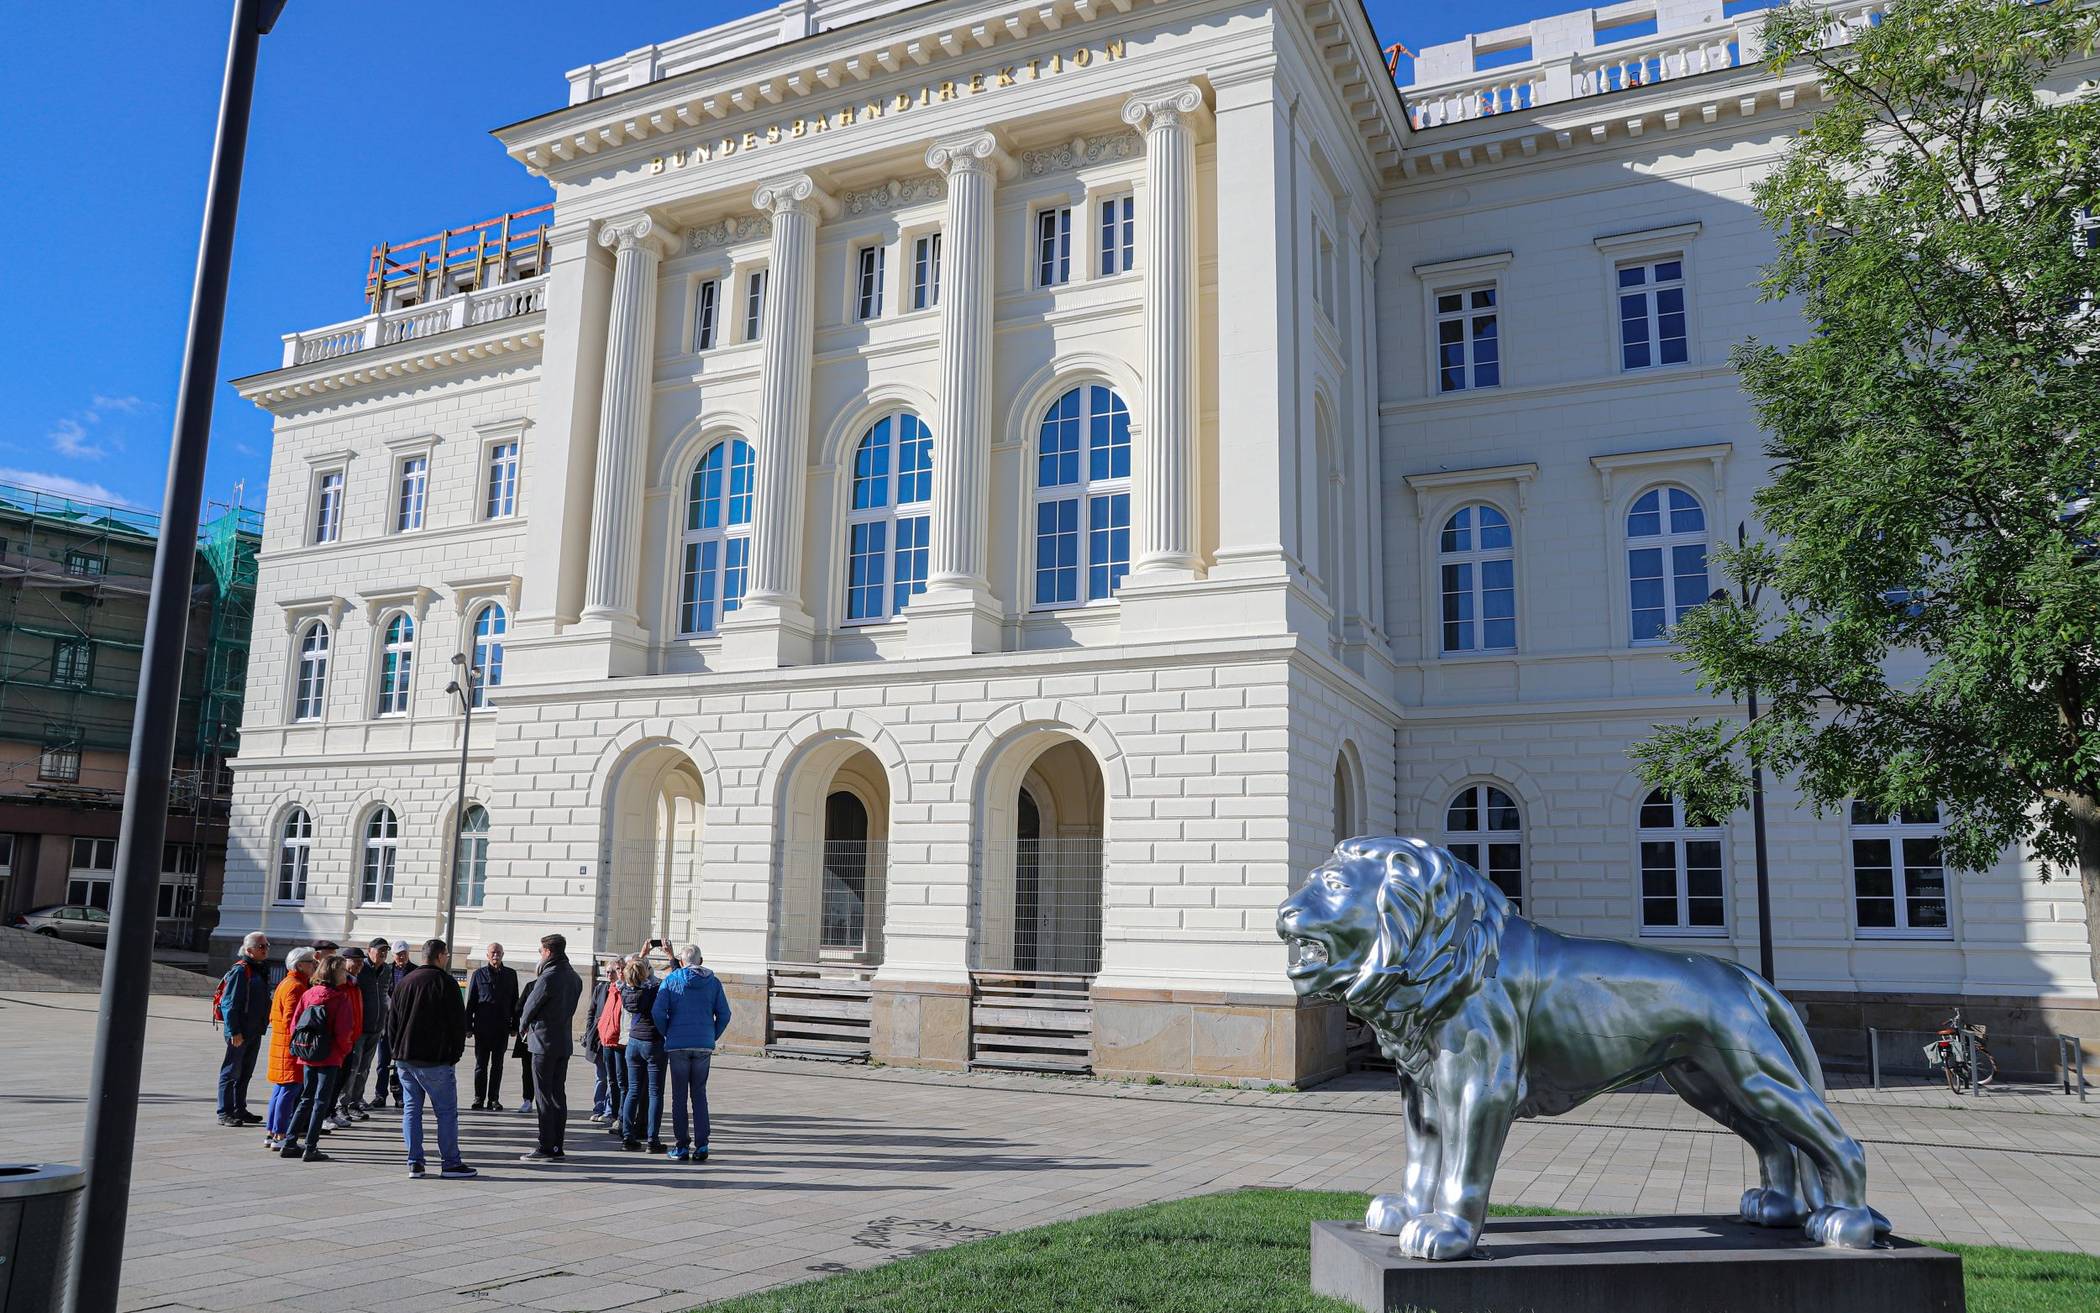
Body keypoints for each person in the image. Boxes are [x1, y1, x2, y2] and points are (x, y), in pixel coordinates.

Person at [387, 937, 476, 1180]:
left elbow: (392, 1022)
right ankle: (450, 1163)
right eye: (446, 955)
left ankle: (415, 1163)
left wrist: (396, 1052)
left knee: (412, 1110)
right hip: (435, 1060)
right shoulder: (446, 983)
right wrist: (454, 1055)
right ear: (439, 956)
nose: (447, 958)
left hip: (405, 1058)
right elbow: (458, 1024)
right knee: (446, 1112)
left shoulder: (405, 982)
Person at [651, 944, 732, 1163]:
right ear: (701, 960)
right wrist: (711, 1035)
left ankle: (681, 1146)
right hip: (703, 1045)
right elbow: (724, 1014)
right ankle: (702, 1145)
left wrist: (667, 1031)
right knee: (699, 1095)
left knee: (679, 1098)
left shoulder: (672, 980)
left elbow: (658, 1011)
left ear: (682, 961)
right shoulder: (713, 983)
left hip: (678, 1044)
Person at [280, 955, 358, 1162]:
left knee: (306, 1098)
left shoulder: (309, 994)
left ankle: (289, 1141)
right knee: (321, 1102)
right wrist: (343, 1051)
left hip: (308, 1054)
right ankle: (311, 1147)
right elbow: (344, 1031)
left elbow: (295, 1024)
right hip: (330, 1055)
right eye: (343, 970)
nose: (346, 974)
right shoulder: (339, 998)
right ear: (334, 973)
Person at [516, 933, 582, 1162]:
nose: (540, 954)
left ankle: (545, 1145)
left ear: (549, 952)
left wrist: (523, 1026)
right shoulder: (574, 977)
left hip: (543, 1042)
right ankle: (557, 1146)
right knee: (557, 1095)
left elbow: (530, 1007)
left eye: (541, 951)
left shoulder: (548, 977)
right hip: (563, 1042)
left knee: (543, 1096)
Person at [215, 930, 272, 1127]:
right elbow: (229, 1004)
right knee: (231, 1071)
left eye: (267, 945)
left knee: (245, 1071)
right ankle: (225, 1112)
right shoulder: (241, 970)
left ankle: (240, 1108)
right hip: (240, 1031)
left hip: (255, 1029)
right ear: (248, 950)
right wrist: (233, 1031)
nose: (265, 949)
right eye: (261, 946)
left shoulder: (260, 968)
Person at [264, 947, 317, 1152]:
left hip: (282, 1044)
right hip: (290, 1047)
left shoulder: (287, 983)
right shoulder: (296, 986)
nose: (314, 965)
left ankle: (272, 1132)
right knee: (289, 1090)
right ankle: (280, 1134)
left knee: (280, 1090)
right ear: (299, 965)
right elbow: (291, 1021)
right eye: (310, 962)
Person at [464, 942, 521, 1110]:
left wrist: (514, 1026)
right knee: (481, 1065)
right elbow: (471, 1001)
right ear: (487, 956)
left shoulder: (511, 974)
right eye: (493, 952)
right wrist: (468, 1026)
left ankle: (493, 1099)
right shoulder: (478, 974)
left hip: (501, 1027)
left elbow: (514, 1001)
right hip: (482, 1027)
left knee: (498, 1065)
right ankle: (478, 1098)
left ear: (503, 954)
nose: (496, 955)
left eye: (499, 952)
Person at [619, 954, 666, 1153]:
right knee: (655, 1093)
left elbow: (636, 973)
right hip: (652, 1041)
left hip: (633, 1042)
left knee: (633, 1090)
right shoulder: (654, 990)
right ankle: (652, 1139)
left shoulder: (625, 991)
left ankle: (628, 1135)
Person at [337, 938, 389, 1120]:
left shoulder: (386, 970)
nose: (382, 954)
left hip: (376, 1027)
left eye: (385, 951)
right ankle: (342, 1103)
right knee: (353, 1066)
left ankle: (356, 1101)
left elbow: (384, 995)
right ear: (369, 951)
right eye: (379, 950)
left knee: (365, 1067)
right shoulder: (360, 968)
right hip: (358, 1028)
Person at [330, 948, 375, 1127]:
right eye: (354, 961)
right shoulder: (340, 983)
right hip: (343, 1039)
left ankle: (338, 1109)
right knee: (343, 1075)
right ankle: (337, 1108)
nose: (358, 965)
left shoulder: (354, 982)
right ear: (344, 961)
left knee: (354, 1071)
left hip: (354, 1035)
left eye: (360, 961)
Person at [371, 938, 414, 1109]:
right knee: (383, 1063)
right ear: (393, 955)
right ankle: (380, 1095)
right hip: (386, 1023)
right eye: (398, 954)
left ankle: (400, 1096)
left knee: (401, 1064)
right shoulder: (385, 969)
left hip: (404, 1025)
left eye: (404, 954)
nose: (401, 957)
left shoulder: (414, 971)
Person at [588, 957, 627, 1128]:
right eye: (609, 971)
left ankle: (611, 1111)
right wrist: (590, 1032)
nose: (611, 974)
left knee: (615, 1080)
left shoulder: (622, 991)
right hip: (601, 1040)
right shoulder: (601, 989)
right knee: (601, 1077)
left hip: (616, 1041)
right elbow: (592, 1012)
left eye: (615, 971)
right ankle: (598, 1107)